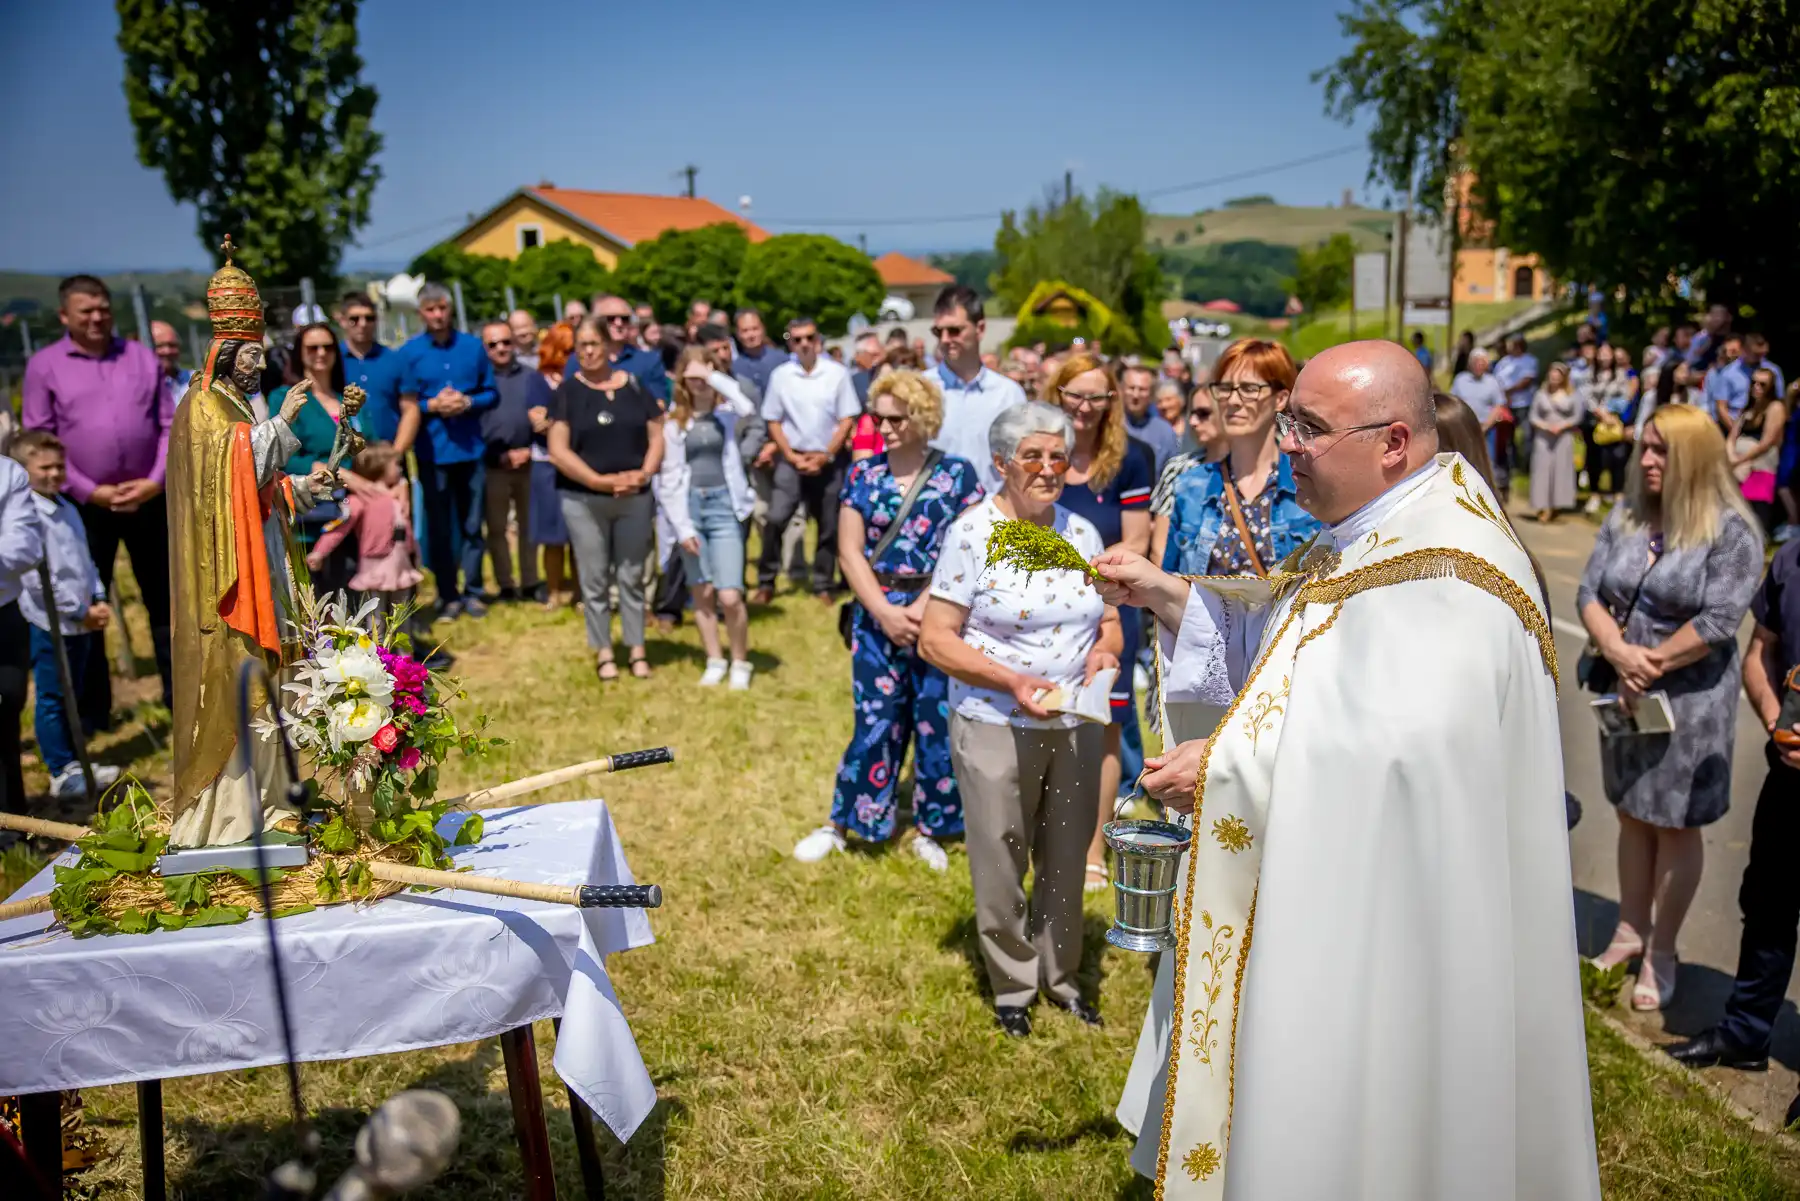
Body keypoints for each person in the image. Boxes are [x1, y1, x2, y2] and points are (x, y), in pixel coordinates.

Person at [1102, 339, 1597, 1198]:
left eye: (1309, 427)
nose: (1288, 442)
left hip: (1394, 932)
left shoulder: (1452, 576)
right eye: (1290, 421)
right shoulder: (1377, 531)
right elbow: (1293, 636)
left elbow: (1402, 755)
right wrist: (1169, 593)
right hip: (1339, 892)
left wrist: (1224, 762)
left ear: (1393, 442)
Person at [920, 402, 1122, 1037]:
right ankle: (1013, 985)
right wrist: (1011, 680)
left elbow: (1109, 618)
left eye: (1058, 456)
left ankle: (1062, 976)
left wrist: (1106, 651)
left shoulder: (1082, 533)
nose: (1047, 468)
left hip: (1075, 719)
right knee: (1001, 854)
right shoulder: (972, 533)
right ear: (1001, 464)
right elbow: (935, 638)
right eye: (1031, 456)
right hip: (993, 720)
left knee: (1065, 855)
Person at [1580, 404, 1762, 1013]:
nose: (1648, 459)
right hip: (1625, 686)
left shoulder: (1732, 530)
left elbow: (1719, 620)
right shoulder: (1629, 512)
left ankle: (1663, 949)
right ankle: (1629, 929)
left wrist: (1648, 664)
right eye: (1646, 447)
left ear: (1694, 459)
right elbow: (1589, 590)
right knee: (1632, 813)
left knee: (1676, 823)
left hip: (1690, 700)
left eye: (1663, 450)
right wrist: (1617, 651)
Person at [166, 243, 337, 847]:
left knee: (275, 680)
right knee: (244, 680)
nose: (259, 364)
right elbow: (224, 476)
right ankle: (232, 814)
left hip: (259, 552)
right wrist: (283, 425)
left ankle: (273, 798)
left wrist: (302, 488)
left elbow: (252, 488)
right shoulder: (201, 406)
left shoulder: (236, 402)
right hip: (227, 573)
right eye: (251, 354)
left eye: (261, 353)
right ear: (225, 351)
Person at [797, 372, 984, 868]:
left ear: (923, 417)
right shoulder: (864, 474)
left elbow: (969, 547)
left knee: (935, 720)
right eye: (878, 418)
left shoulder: (958, 475)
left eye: (896, 419)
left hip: (940, 612)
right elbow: (849, 550)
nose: (885, 427)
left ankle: (933, 828)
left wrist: (924, 607)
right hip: (874, 615)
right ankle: (847, 822)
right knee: (874, 720)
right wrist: (883, 611)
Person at [1667, 530, 1800, 1125]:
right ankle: (1746, 1033)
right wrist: (1777, 723)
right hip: (1788, 774)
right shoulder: (1791, 559)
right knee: (1767, 904)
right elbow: (1760, 653)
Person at [21, 273, 176, 720]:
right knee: (87, 603)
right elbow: (40, 438)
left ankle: (179, 697)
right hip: (84, 506)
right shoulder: (45, 366)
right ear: (64, 315)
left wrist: (155, 480)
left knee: (165, 602)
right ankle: (91, 712)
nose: (96, 317)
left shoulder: (141, 357)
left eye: (103, 309)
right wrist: (91, 491)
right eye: (85, 310)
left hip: (149, 499)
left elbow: (169, 424)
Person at [1044, 355, 1153, 889]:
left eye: (1096, 397)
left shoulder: (1131, 458)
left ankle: (1093, 847)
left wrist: (1090, 573)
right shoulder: (1043, 451)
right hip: (1044, 610)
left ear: (1112, 402)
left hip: (1109, 604)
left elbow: (1137, 538)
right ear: (1057, 394)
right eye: (1074, 395)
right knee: (1050, 715)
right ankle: (1047, 834)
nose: (1084, 407)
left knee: (1106, 728)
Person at [550, 316, 665, 681]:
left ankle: (637, 649)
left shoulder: (634, 385)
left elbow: (657, 434)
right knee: (595, 577)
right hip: (584, 500)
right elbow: (558, 449)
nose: (587, 352)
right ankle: (604, 651)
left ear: (607, 346)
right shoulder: (568, 392)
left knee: (632, 575)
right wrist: (597, 481)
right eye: (581, 346)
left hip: (633, 497)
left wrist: (644, 473)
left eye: (593, 344)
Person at [12, 431, 118, 799]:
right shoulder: (27, 516)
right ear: (23, 470)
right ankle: (60, 769)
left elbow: (85, 560)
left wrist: (98, 597)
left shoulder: (68, 508)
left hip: (82, 618)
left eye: (59, 466)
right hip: (51, 621)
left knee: (75, 689)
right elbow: (38, 578)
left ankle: (77, 759)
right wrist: (76, 610)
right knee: (54, 696)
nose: (54, 473)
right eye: (44, 467)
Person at [1162, 339, 1319, 577]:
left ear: (1280, 399)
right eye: (1225, 388)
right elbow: (1170, 579)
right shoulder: (1191, 486)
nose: (1233, 401)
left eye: (1249, 389)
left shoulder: (1307, 483)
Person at [654, 347, 757, 689]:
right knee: (702, 593)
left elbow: (747, 407)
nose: (697, 381)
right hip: (691, 509)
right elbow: (669, 480)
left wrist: (711, 376)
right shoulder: (674, 424)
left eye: (704, 373)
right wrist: (682, 527)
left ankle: (740, 660)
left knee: (730, 595)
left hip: (725, 507)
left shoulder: (726, 415)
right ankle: (715, 658)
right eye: (692, 374)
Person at [397, 282, 497, 620]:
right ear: (420, 313)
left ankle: (474, 590)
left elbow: (491, 393)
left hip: (470, 449)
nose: (438, 315)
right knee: (439, 526)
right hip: (433, 451)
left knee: (472, 524)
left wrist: (467, 402)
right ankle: (447, 593)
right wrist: (432, 405)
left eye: (442, 308)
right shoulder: (410, 353)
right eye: (431, 309)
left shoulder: (473, 346)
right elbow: (405, 402)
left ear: (450, 309)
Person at [754, 316, 861, 604]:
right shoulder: (781, 375)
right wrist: (789, 455)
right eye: (797, 339)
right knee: (775, 519)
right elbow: (773, 419)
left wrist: (826, 454)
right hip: (792, 459)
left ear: (818, 340)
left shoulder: (837, 373)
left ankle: (823, 583)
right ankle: (766, 581)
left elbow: (847, 418)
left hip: (828, 459)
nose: (804, 344)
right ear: (790, 343)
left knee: (829, 524)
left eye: (809, 337)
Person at [269, 322, 354, 594]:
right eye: (312, 347)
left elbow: (370, 444)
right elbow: (281, 456)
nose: (321, 353)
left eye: (328, 347)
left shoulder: (348, 398)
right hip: (312, 511)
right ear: (299, 353)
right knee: (318, 596)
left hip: (355, 508)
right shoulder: (286, 398)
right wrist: (319, 467)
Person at [305, 442, 424, 620]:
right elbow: (339, 529)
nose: (400, 470)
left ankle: (403, 639)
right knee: (375, 614)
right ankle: (377, 639)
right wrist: (319, 553)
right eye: (395, 465)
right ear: (379, 468)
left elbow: (406, 529)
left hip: (401, 562)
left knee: (401, 612)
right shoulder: (359, 501)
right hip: (374, 565)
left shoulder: (399, 496)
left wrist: (415, 552)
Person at [927, 286, 1027, 495]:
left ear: (980, 329)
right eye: (938, 331)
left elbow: (1021, 459)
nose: (944, 339)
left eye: (954, 330)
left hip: (992, 508)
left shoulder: (1008, 394)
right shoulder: (920, 389)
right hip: (930, 508)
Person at [478, 319, 545, 602]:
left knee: (530, 524)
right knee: (497, 528)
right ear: (484, 348)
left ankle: (531, 582)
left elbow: (544, 416)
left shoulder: (531, 376)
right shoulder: (478, 380)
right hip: (494, 463)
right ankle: (505, 583)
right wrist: (497, 455)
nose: (501, 348)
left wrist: (530, 449)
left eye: (506, 342)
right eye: (493, 344)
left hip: (529, 460)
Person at [0, 449, 43, 819]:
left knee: (6, 709)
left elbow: (25, 546)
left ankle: (11, 823)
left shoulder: (7, 474)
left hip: (2, 612)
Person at [1149, 386, 1227, 568]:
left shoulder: (1251, 473)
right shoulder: (1178, 469)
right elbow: (1159, 550)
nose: (1192, 421)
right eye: (1191, 413)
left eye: (1203, 413)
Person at [531, 323, 576, 608]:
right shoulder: (538, 381)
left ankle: (581, 591)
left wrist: (554, 422)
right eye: (570, 350)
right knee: (552, 534)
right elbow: (537, 421)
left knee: (579, 534)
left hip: (578, 462)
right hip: (546, 463)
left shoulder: (582, 379)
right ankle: (554, 590)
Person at [337, 291, 405, 445]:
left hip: (389, 448)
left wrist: (397, 451)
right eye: (354, 319)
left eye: (369, 318)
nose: (363, 324)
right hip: (345, 450)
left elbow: (410, 408)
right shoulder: (332, 360)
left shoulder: (394, 359)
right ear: (342, 321)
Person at [1728, 368, 1787, 537]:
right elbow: (1731, 438)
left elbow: (1767, 442)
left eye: (1762, 384)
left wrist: (1741, 460)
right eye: (1754, 382)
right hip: (1737, 463)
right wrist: (1731, 456)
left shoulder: (1775, 407)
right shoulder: (1747, 409)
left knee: (1755, 514)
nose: (1757, 387)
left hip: (1759, 464)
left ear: (1771, 387)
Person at [1529, 360, 1581, 521]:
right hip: (1544, 436)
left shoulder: (1571, 394)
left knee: (1560, 470)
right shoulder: (1540, 394)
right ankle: (1543, 506)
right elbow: (1533, 415)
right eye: (1552, 376)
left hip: (1563, 436)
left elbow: (1577, 416)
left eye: (1558, 376)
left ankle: (1557, 505)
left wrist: (1563, 425)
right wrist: (1544, 425)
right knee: (1542, 470)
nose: (1554, 379)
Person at [591, 295, 669, 403]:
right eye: (611, 319)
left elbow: (659, 404)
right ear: (596, 322)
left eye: (624, 319)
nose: (619, 323)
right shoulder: (580, 361)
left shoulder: (649, 361)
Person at [1450, 347, 1511, 483]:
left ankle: (1488, 489)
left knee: (1487, 461)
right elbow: (1453, 402)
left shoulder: (1492, 381)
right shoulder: (1460, 380)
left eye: (1482, 362)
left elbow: (1498, 406)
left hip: (1487, 429)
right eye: (1476, 362)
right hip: (1465, 428)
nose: (1479, 365)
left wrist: (1485, 426)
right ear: (1470, 364)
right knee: (1465, 460)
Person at [1120, 363, 1181, 473]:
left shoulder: (1164, 432)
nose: (1136, 395)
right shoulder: (1107, 425)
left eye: (1142, 389)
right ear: (1122, 390)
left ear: (1152, 394)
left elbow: (1173, 473)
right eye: (1131, 388)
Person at [1495, 334, 1540, 478]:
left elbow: (1527, 380)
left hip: (1525, 404)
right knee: (1508, 438)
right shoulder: (1503, 362)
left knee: (1527, 436)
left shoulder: (1530, 360)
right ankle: (1511, 465)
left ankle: (1527, 465)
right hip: (1507, 405)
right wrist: (1503, 395)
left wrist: (1509, 391)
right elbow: (1497, 381)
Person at [732, 307, 789, 398]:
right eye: (745, 331)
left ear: (763, 329)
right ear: (738, 334)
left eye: (755, 329)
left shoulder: (782, 360)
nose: (751, 335)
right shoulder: (734, 368)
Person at [150, 320, 192, 394]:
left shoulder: (196, 382)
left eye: (172, 345)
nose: (167, 351)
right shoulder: (135, 388)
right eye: (159, 346)